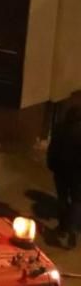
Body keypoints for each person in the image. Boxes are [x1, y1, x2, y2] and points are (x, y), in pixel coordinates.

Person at [48, 104, 81, 248]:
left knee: (62, 198)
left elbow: (52, 149)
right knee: (77, 201)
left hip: (61, 170)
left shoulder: (60, 128)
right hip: (78, 173)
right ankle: (71, 230)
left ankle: (62, 227)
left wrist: (52, 165)